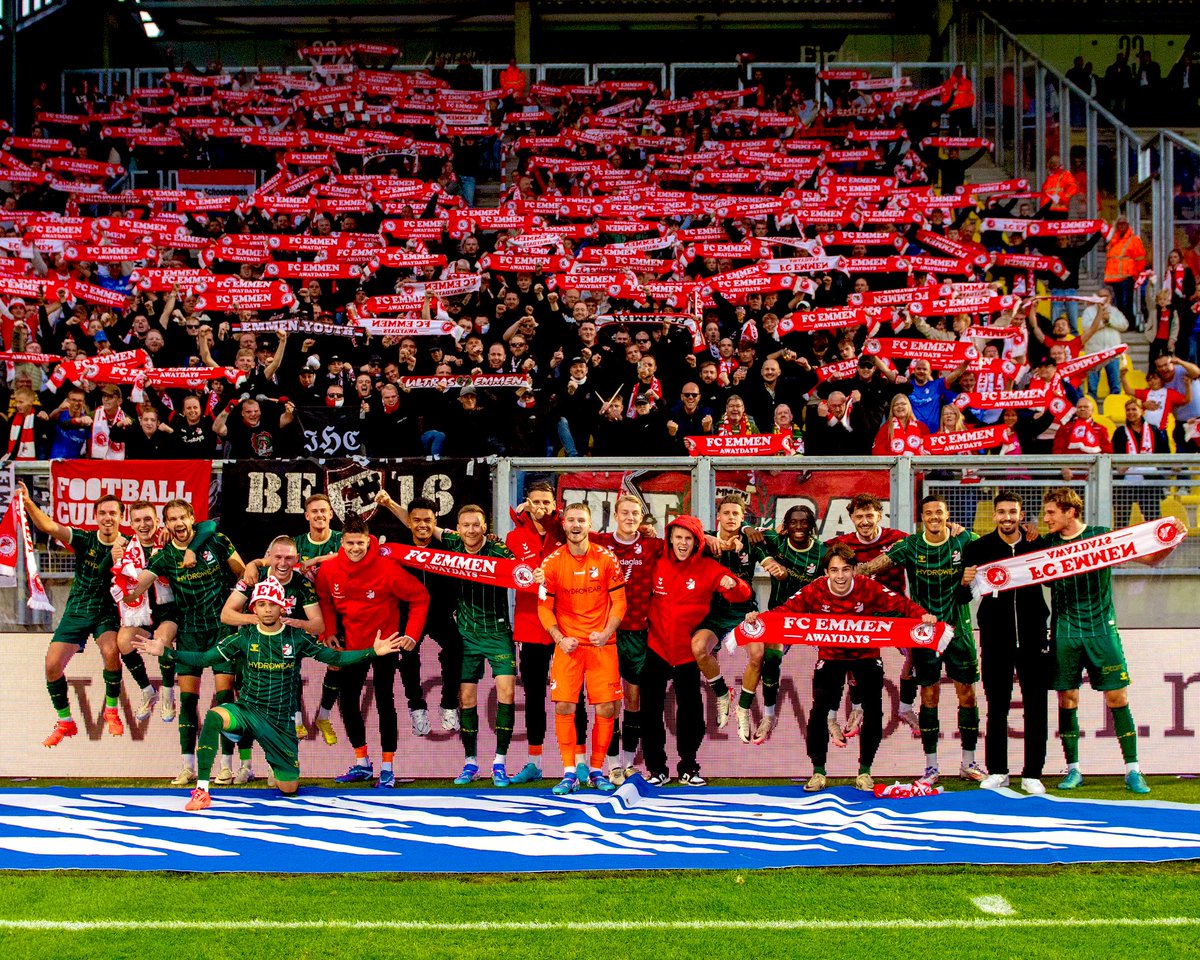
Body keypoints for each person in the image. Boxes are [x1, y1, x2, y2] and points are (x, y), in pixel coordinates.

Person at [136, 578, 406, 810]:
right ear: (254, 607)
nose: (267, 609)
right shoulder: (243, 637)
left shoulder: (296, 638)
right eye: (261, 604)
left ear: (282, 607)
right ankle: (202, 790)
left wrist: (373, 652)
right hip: (248, 711)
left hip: (280, 723)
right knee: (216, 716)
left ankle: (274, 760)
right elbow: (205, 658)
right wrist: (166, 653)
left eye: (272, 604)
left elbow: (334, 656)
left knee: (288, 787)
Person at [743, 543, 936, 792]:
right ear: (826, 573)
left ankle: (865, 772)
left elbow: (902, 605)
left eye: (846, 570)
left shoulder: (869, 587)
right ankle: (818, 772)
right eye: (835, 571)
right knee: (819, 710)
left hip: (866, 654)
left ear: (854, 570)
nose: (841, 576)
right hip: (831, 655)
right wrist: (760, 618)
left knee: (874, 710)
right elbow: (784, 611)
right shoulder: (816, 589)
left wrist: (923, 616)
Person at [1037, 488, 1185, 794]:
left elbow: (1150, 559)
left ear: (1070, 512)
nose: (1046, 518)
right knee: (1067, 700)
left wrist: (1173, 540)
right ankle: (1074, 769)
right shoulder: (1046, 544)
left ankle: (1133, 770)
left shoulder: (1102, 537)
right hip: (1065, 631)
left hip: (1102, 630)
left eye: (1051, 512)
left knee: (1117, 698)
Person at [856, 494, 984, 785]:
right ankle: (931, 766)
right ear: (921, 518)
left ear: (947, 514)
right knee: (929, 697)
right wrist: (840, 575)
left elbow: (998, 550)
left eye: (939, 512)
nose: (934, 517)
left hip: (960, 630)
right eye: (928, 513)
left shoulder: (965, 540)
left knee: (967, 695)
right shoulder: (911, 545)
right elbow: (870, 567)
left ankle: (969, 762)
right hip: (924, 632)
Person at [122, 500, 246, 786]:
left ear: (192, 518)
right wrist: (125, 590)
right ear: (166, 525)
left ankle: (226, 766)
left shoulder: (216, 541)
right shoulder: (164, 556)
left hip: (221, 629)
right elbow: (140, 584)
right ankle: (188, 766)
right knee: (189, 701)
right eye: (172, 519)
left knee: (225, 699)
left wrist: (238, 604)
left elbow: (241, 573)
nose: (178, 523)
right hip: (189, 631)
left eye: (182, 517)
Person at [314, 515, 428, 788]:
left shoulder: (386, 568)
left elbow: (420, 597)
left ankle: (387, 767)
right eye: (350, 543)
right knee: (347, 701)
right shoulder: (329, 570)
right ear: (342, 542)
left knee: (384, 701)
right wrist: (328, 632)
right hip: (353, 646)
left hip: (385, 644)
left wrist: (411, 634)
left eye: (360, 543)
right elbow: (325, 602)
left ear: (369, 541)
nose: (355, 548)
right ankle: (362, 763)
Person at [642, 515, 751, 786]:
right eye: (678, 537)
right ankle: (656, 768)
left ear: (697, 542)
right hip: (656, 647)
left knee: (690, 710)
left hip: (687, 652)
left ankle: (689, 766)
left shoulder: (708, 568)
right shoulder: (656, 561)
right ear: (670, 539)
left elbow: (744, 594)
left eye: (688, 539)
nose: (682, 543)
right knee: (650, 710)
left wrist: (733, 585)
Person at [19, 485, 126, 747]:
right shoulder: (84, 539)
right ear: (96, 517)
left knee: (112, 650)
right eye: (102, 513)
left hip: (107, 609)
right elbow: (50, 527)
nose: (107, 517)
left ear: (121, 517)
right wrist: (28, 503)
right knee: (51, 666)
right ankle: (65, 721)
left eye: (113, 512)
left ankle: (111, 710)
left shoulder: (130, 545)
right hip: (78, 608)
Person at [961, 491, 1052, 794]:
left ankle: (1033, 773)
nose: (1007, 518)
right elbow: (962, 597)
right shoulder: (979, 548)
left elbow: (1053, 577)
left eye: (1013, 512)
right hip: (996, 638)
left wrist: (1041, 538)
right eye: (1002, 512)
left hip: (1033, 635)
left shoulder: (1037, 543)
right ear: (994, 515)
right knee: (996, 706)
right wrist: (964, 581)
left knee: (1036, 705)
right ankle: (998, 770)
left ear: (1021, 513)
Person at [538, 503, 627, 795]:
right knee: (564, 705)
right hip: (568, 646)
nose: (576, 525)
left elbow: (619, 602)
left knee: (606, 707)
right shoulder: (551, 563)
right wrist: (559, 637)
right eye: (571, 520)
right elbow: (544, 608)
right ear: (563, 525)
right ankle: (569, 773)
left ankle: (597, 770)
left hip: (602, 644)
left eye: (581, 520)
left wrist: (607, 632)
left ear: (590, 525)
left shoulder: (606, 558)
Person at [224, 535, 324, 780]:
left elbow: (318, 625)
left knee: (282, 708)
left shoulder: (302, 583)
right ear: (267, 557)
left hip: (284, 654)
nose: (282, 563)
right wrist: (257, 620)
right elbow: (227, 614)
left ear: (297, 559)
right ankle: (246, 765)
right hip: (252, 652)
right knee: (246, 705)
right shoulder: (253, 578)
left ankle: (276, 764)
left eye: (289, 558)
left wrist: (294, 623)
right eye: (277, 557)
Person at [436, 505, 522, 786]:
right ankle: (470, 763)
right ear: (458, 529)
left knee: (507, 693)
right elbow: (420, 526)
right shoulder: (453, 543)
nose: (471, 530)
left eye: (476, 525)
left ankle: (500, 762)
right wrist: (388, 505)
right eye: (466, 525)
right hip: (466, 636)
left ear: (485, 527)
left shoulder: (498, 552)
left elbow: (522, 572)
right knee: (467, 699)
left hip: (498, 633)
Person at [376, 493, 465, 743]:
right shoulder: (397, 545)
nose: (422, 525)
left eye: (428, 520)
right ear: (409, 522)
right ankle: (417, 708)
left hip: (440, 613)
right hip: (407, 613)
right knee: (407, 656)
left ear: (435, 521)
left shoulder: (447, 545)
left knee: (456, 648)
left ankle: (449, 704)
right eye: (416, 520)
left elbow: (474, 544)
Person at [587, 494, 660, 785]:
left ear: (642, 520)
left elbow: (689, 541)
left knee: (632, 699)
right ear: (615, 515)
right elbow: (564, 527)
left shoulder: (653, 546)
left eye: (636, 514)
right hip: (605, 633)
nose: (630, 518)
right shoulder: (600, 542)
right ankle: (612, 764)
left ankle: (629, 762)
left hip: (638, 633)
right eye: (625, 513)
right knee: (608, 702)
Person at [736, 505, 824, 744]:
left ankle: (835, 717)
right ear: (785, 525)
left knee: (836, 661)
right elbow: (742, 530)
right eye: (793, 522)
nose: (798, 527)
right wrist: (747, 526)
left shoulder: (821, 552)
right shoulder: (776, 540)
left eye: (804, 522)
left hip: (811, 620)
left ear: (811, 525)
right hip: (780, 617)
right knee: (771, 658)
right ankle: (769, 715)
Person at [826, 494, 914, 732]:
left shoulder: (899, 540)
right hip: (860, 614)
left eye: (869, 515)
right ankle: (857, 708)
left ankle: (905, 708)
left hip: (894, 610)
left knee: (918, 653)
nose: (865, 521)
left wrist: (954, 528)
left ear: (879, 515)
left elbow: (929, 543)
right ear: (852, 518)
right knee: (851, 657)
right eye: (859, 516)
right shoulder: (841, 545)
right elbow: (817, 561)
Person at [501, 482, 567, 784]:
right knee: (534, 696)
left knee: (571, 696)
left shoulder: (565, 534)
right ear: (527, 503)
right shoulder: (514, 537)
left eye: (546, 502)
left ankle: (576, 765)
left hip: (567, 625)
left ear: (555, 505)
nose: (541, 507)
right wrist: (520, 518)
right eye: (536, 502)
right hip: (530, 626)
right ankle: (534, 762)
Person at [691, 494, 759, 732]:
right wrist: (705, 537)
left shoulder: (751, 540)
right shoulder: (705, 541)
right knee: (699, 648)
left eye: (736, 514)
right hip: (715, 613)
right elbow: (681, 534)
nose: (731, 518)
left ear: (743, 519)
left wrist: (750, 529)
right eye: (726, 513)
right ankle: (722, 695)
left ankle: (743, 708)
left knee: (758, 654)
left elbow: (774, 535)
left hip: (745, 611)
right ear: (718, 517)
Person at [292, 493, 343, 745]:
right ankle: (297, 719)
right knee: (290, 664)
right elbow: (273, 561)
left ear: (331, 514)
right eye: (314, 511)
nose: (319, 515)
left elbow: (356, 554)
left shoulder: (342, 540)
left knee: (336, 663)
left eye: (324, 511)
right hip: (303, 613)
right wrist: (254, 563)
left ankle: (323, 715)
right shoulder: (296, 543)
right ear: (307, 515)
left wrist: (315, 560)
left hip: (335, 613)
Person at [1079, 288, 1129, 395]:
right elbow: (1086, 327)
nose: (1103, 298)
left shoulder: (1115, 311)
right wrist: (1103, 321)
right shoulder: (1089, 311)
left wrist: (1109, 320)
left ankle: (1115, 408)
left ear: (1110, 298)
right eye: (1100, 296)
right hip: (1094, 353)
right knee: (1092, 387)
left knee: (1115, 386)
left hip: (1112, 353)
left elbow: (1124, 325)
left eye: (1106, 296)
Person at [1103, 218, 1146, 328]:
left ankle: (1129, 324)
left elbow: (1140, 259)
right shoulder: (1114, 240)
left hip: (1127, 276)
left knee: (1126, 303)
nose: (1121, 226)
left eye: (1123, 224)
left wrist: (1136, 275)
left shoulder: (1134, 240)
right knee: (1119, 303)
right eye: (1119, 224)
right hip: (1115, 278)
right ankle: (1122, 324)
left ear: (1127, 225)